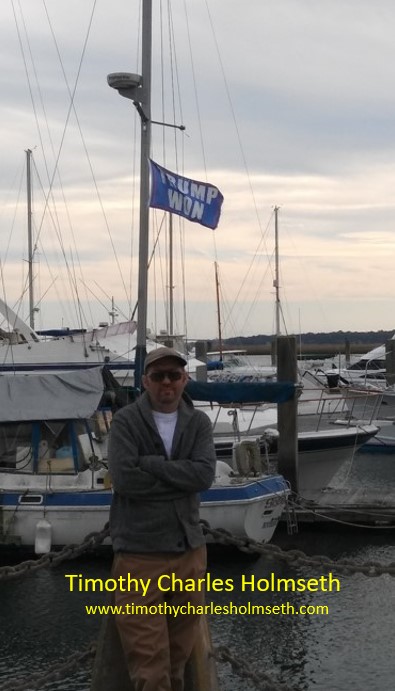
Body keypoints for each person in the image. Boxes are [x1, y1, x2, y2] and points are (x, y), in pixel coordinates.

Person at [108, 346, 216, 691]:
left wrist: (151, 464)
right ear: (145, 381)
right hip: (139, 554)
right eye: (158, 376)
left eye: (174, 375)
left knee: (177, 659)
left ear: (185, 379)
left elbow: (203, 476)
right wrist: (176, 479)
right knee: (149, 667)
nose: (166, 382)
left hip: (189, 551)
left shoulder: (198, 422)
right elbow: (125, 480)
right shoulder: (126, 421)